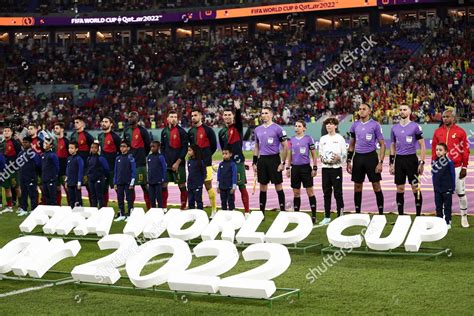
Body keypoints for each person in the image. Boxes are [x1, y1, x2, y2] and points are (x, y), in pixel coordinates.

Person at [432, 109, 470, 228]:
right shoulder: (438, 132)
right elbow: (434, 148)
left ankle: (464, 216)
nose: (445, 119)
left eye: (447, 117)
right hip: (441, 168)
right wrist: (434, 163)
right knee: (442, 193)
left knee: (460, 193)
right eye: (443, 117)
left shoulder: (460, 132)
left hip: (457, 167)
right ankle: (445, 218)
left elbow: (465, 150)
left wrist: (464, 166)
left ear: (453, 118)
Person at [347, 103, 386, 214]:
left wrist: (380, 162)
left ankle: (381, 213)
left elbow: (382, 144)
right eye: (360, 109)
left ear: (369, 111)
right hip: (358, 158)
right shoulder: (354, 125)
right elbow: (351, 145)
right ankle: (358, 213)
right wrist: (349, 161)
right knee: (357, 186)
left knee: (376, 185)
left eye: (364, 109)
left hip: (371, 157)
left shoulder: (375, 125)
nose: (361, 111)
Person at [389, 105, 425, 216]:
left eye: (405, 109)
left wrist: (422, 162)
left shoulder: (415, 126)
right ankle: (401, 215)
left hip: (411, 159)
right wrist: (391, 163)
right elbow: (392, 145)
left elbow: (422, 145)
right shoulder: (394, 128)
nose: (402, 111)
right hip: (399, 160)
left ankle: (418, 215)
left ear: (409, 111)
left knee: (415, 187)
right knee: (400, 188)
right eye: (400, 110)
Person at [253, 106, 289, 215]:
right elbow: (256, 146)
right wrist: (254, 162)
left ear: (271, 115)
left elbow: (285, 146)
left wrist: (282, 163)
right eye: (262, 113)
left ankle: (282, 212)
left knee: (278, 185)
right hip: (262, 160)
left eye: (266, 113)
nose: (263, 115)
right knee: (262, 186)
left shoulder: (278, 129)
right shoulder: (257, 129)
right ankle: (261, 213)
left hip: (274, 159)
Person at [218, 99, 250, 216]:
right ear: (222, 117)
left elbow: (239, 119)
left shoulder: (237, 127)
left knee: (241, 186)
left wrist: (237, 109)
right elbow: (223, 149)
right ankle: (231, 210)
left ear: (232, 116)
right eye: (225, 115)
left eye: (229, 115)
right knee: (228, 187)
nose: (227, 117)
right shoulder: (221, 132)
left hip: (237, 161)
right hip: (227, 163)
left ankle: (246, 212)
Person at [286, 120, 318, 224]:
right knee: (296, 193)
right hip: (295, 168)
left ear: (304, 128)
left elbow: (314, 154)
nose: (297, 128)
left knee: (310, 192)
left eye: (299, 126)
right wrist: (288, 168)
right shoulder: (291, 139)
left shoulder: (308, 138)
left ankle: (314, 216)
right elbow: (290, 154)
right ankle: (297, 215)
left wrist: (315, 167)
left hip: (305, 168)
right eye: (296, 126)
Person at [188, 108, 218, 217]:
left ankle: (214, 210)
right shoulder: (190, 132)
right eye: (192, 116)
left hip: (206, 163)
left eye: (195, 115)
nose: (193, 117)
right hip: (195, 164)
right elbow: (191, 148)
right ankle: (195, 211)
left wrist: (206, 156)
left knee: (208, 185)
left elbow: (213, 146)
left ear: (200, 116)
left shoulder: (208, 130)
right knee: (194, 186)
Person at [319, 117, 347, 223]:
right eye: (327, 124)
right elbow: (321, 154)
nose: (328, 126)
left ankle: (340, 215)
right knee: (326, 193)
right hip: (325, 169)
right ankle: (326, 216)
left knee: (338, 193)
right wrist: (323, 159)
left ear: (335, 126)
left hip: (336, 169)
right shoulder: (323, 139)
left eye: (330, 124)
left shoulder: (340, 138)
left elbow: (344, 154)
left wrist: (338, 158)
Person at [123, 111, 151, 209]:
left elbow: (148, 146)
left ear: (137, 118)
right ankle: (131, 209)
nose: (130, 118)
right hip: (129, 163)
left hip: (140, 163)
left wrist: (142, 155)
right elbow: (125, 146)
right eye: (129, 116)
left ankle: (150, 208)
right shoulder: (126, 131)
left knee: (144, 186)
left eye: (132, 117)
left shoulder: (143, 131)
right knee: (130, 187)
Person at [161, 110, 189, 209]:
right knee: (163, 185)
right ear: (167, 119)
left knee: (181, 185)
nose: (173, 119)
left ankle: (183, 207)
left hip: (179, 164)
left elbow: (185, 149)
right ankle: (164, 207)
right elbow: (163, 148)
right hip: (167, 164)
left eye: (175, 117)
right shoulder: (164, 131)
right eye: (171, 116)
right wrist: (164, 161)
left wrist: (177, 162)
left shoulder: (182, 132)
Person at [97, 116, 121, 207]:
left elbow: (121, 151)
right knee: (102, 189)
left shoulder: (115, 137)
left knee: (118, 190)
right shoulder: (100, 136)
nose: (103, 123)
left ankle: (121, 210)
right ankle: (103, 209)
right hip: (102, 169)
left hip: (113, 168)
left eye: (106, 121)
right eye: (103, 121)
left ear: (111, 124)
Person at [432, 143, 455, 229]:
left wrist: (452, 187)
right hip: (437, 189)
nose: (438, 151)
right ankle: (439, 221)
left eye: (440, 150)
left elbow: (453, 175)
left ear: (445, 151)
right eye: (437, 149)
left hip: (447, 188)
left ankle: (448, 221)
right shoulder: (434, 161)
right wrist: (435, 186)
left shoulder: (449, 162)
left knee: (447, 206)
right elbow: (434, 175)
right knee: (438, 206)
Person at [17, 137, 41, 216]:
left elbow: (38, 163)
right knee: (23, 193)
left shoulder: (33, 153)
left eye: (26, 142)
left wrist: (33, 172)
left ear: (30, 143)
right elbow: (18, 164)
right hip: (22, 176)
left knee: (32, 194)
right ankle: (24, 208)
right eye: (23, 142)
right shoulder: (20, 153)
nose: (24, 144)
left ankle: (34, 209)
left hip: (31, 176)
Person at [114, 140, 136, 222]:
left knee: (129, 199)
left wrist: (132, 182)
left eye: (124, 146)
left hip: (128, 182)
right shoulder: (118, 158)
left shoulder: (131, 158)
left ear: (128, 148)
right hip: (120, 182)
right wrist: (115, 182)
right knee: (120, 198)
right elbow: (116, 171)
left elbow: (133, 171)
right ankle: (122, 214)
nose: (122, 148)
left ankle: (130, 214)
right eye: (121, 146)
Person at [0, 126, 21, 213]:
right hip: (4, 170)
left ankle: (21, 205)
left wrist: (17, 166)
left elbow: (20, 155)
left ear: (11, 133)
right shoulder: (1, 143)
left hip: (13, 169)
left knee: (17, 187)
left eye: (8, 131)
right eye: (5, 131)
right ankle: (9, 206)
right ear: (3, 133)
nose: (6, 132)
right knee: (7, 188)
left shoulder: (15, 143)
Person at [86, 142, 110, 209]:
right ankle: (94, 210)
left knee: (99, 196)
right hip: (91, 179)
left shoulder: (101, 158)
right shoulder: (89, 158)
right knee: (93, 196)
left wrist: (104, 178)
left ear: (98, 149)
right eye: (92, 147)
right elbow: (88, 168)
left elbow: (106, 169)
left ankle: (102, 210)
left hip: (99, 179)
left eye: (95, 148)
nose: (93, 149)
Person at [53, 122, 70, 206]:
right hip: (56, 169)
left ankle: (71, 206)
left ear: (62, 129)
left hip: (64, 168)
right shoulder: (54, 142)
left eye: (57, 128)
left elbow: (70, 156)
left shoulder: (66, 142)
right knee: (57, 188)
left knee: (67, 188)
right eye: (54, 128)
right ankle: (58, 206)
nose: (55, 130)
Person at [147, 141, 167, 208]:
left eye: (154, 146)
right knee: (152, 198)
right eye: (151, 147)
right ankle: (153, 210)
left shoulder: (160, 157)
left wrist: (163, 179)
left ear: (158, 147)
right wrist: (148, 178)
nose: (152, 148)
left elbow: (164, 168)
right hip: (150, 181)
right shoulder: (149, 157)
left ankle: (160, 210)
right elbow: (148, 169)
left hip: (158, 181)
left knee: (159, 198)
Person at [217, 147, 238, 211]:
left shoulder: (232, 164)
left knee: (230, 201)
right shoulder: (221, 164)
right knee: (223, 202)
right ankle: (224, 213)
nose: (224, 155)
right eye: (223, 154)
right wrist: (218, 186)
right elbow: (218, 176)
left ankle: (232, 213)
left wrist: (234, 187)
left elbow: (234, 175)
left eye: (226, 153)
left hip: (229, 187)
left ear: (230, 154)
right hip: (222, 187)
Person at [187, 144, 206, 210]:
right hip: (190, 184)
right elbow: (190, 172)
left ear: (195, 151)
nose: (188, 152)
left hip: (197, 184)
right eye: (188, 150)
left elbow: (204, 173)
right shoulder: (189, 161)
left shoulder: (200, 162)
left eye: (190, 150)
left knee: (198, 200)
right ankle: (191, 214)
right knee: (190, 200)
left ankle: (200, 213)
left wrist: (200, 182)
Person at [41, 137, 59, 205]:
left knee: (52, 198)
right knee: (46, 197)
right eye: (44, 142)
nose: (44, 144)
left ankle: (54, 213)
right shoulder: (43, 154)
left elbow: (57, 167)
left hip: (51, 179)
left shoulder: (53, 155)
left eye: (46, 143)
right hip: (44, 179)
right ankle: (49, 214)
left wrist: (53, 177)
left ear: (51, 145)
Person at [65, 142, 84, 208]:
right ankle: (72, 212)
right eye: (69, 148)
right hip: (70, 182)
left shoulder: (79, 159)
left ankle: (79, 214)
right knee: (71, 199)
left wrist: (79, 182)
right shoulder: (69, 158)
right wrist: (66, 181)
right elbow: (67, 170)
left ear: (76, 149)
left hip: (76, 183)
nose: (70, 149)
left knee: (78, 199)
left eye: (72, 148)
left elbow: (80, 171)